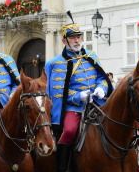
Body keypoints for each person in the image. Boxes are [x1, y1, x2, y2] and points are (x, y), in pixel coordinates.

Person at [45, 11, 112, 172]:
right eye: (73, 37)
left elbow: (102, 77)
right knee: (68, 131)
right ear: (64, 41)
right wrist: (78, 97)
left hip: (97, 102)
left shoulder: (91, 56)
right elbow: (57, 93)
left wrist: (101, 88)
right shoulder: (54, 63)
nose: (77, 40)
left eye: (78, 37)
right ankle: (62, 168)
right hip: (73, 107)